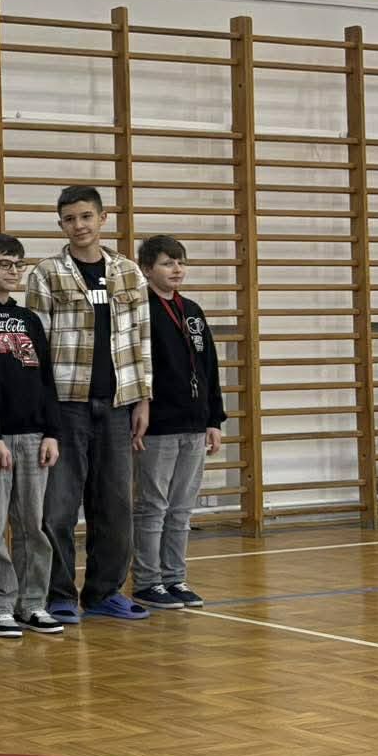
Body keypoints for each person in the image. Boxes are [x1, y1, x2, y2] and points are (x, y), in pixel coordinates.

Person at [25, 185, 153, 624]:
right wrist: (44, 412)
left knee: (115, 505)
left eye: (85, 217)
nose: (78, 226)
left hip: (117, 404)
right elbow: (36, 347)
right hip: (66, 405)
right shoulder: (46, 274)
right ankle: (59, 593)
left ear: (102, 218)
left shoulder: (129, 272)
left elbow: (142, 340)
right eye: (69, 219)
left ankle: (104, 591)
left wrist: (143, 399)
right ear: (61, 225)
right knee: (59, 507)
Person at [0, 234, 63, 640]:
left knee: (33, 526)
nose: (12, 271)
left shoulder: (29, 319)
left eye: (18, 264)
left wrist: (52, 432)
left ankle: (32, 602)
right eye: (4, 263)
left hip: (34, 434)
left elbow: (46, 378)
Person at [131, 235, 226, 610]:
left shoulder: (193, 311)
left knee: (182, 507)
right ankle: (147, 581)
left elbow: (209, 367)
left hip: (194, 423)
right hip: (158, 425)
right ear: (146, 269)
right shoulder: (140, 310)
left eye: (181, 262)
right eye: (168, 263)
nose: (177, 269)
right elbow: (133, 367)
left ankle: (174, 577)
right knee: (152, 505)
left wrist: (214, 419)